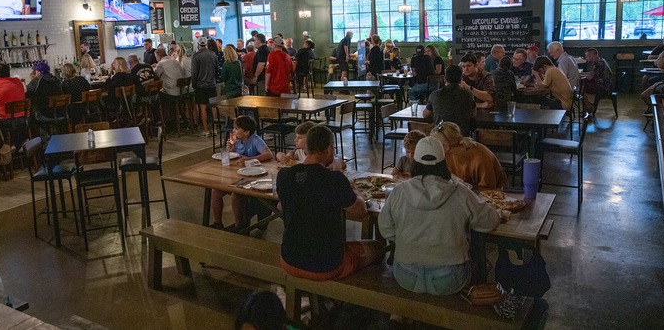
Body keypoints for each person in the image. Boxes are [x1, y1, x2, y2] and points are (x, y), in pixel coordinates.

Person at [378, 136, 500, 295]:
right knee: (483, 264)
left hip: (406, 275)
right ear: (444, 162)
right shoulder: (460, 192)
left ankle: (401, 315)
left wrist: (405, 239)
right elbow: (490, 222)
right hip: (448, 278)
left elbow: (385, 229)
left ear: (414, 162)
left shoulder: (399, 191)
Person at [277, 125, 384, 280]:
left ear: (306, 149)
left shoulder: (284, 175)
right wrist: (356, 193)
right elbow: (361, 212)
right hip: (326, 265)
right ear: (329, 149)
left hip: (288, 258)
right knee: (378, 248)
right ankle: (357, 298)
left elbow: (281, 205)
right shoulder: (334, 180)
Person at [209, 116, 272, 231]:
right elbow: (234, 157)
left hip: (253, 177)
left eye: (237, 129)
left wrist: (249, 159)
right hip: (236, 175)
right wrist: (231, 149)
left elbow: (268, 154)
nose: (233, 131)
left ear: (246, 132)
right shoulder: (237, 141)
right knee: (215, 191)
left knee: (236, 194)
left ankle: (239, 226)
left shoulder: (255, 140)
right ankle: (218, 223)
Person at [430, 121, 508, 190]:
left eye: (435, 144)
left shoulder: (480, 156)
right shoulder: (445, 154)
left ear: (446, 147)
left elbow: (489, 189)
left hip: (492, 196)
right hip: (463, 194)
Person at [423, 65, 476, 136]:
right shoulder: (468, 94)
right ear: (460, 79)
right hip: (461, 137)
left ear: (445, 79)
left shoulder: (435, 95)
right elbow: (474, 114)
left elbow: (425, 115)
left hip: (441, 137)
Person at [192, 39, 218, 137]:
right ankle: (215, 128)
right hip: (212, 84)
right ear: (206, 44)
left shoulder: (196, 56)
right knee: (213, 107)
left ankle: (206, 129)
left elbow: (194, 72)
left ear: (198, 45)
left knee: (202, 107)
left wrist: (194, 85)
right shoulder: (213, 54)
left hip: (201, 85)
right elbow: (216, 69)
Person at [26, 60, 63, 126]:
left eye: (36, 71)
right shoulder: (57, 80)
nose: (35, 73)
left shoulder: (36, 82)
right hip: (61, 113)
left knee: (32, 117)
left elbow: (28, 93)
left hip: (45, 114)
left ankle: (42, 134)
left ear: (39, 73)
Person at [581, 48, 614, 113]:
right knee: (584, 86)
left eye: (587, 56)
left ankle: (589, 107)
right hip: (607, 85)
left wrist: (579, 75)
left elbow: (590, 77)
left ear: (592, 55)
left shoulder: (598, 64)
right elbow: (592, 74)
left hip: (605, 88)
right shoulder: (601, 60)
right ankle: (589, 106)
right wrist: (582, 74)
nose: (586, 58)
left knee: (581, 88)